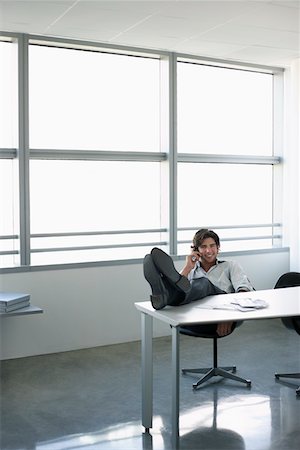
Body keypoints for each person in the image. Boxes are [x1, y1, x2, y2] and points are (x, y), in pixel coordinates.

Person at [143, 228, 254, 337]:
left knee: (203, 283)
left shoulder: (230, 265)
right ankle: (165, 294)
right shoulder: (191, 269)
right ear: (196, 250)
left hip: (223, 312)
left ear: (218, 247)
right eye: (203, 247)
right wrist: (188, 267)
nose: (208, 251)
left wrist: (230, 316)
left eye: (212, 246)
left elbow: (244, 290)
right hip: (197, 315)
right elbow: (179, 288)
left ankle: (165, 293)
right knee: (181, 287)